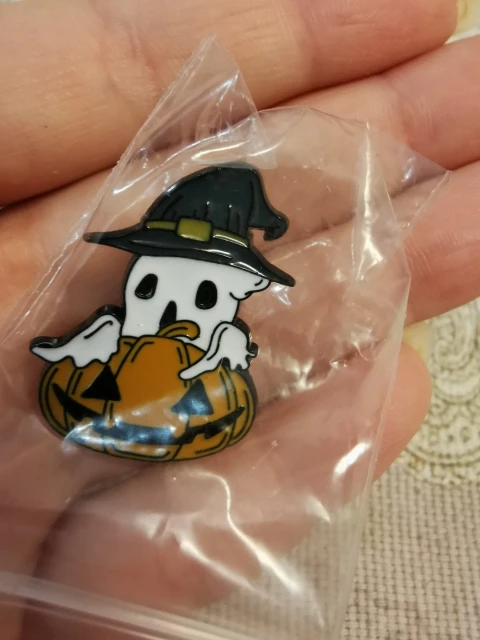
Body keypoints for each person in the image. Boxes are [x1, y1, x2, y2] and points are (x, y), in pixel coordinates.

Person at [0, 1, 479, 638]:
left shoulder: (222, 348)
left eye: (205, 297)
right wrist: (81, 348)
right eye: (150, 285)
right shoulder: (112, 332)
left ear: (241, 295)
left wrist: (212, 355)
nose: (169, 310)